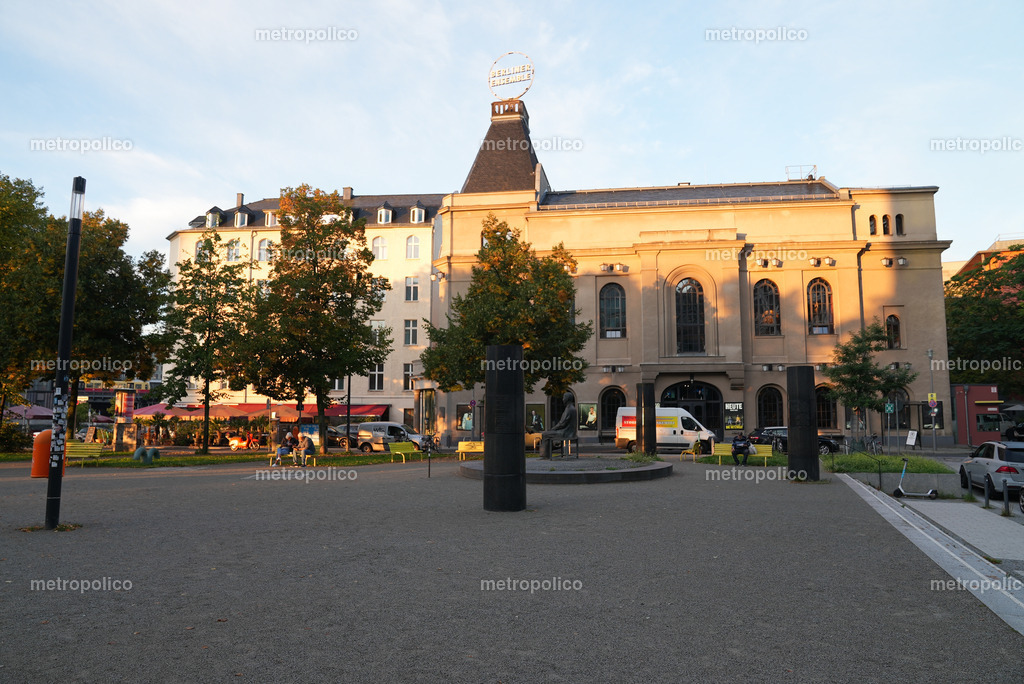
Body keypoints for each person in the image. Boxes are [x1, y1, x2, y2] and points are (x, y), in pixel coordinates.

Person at [540, 392, 578, 459]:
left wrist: (553, 429)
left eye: (564, 397)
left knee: (545, 434)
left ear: (567, 399)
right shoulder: (571, 408)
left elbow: (562, 423)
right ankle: (550, 450)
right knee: (548, 434)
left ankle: (545, 455)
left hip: (566, 432)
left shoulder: (569, 409)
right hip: (569, 431)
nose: (563, 399)